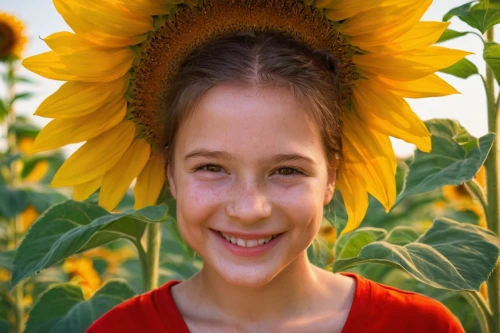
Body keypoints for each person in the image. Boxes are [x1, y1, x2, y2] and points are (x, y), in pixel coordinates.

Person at [86, 30, 465, 333]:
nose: (249, 210)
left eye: (287, 171)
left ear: (331, 176)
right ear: (170, 173)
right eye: (211, 168)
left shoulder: (418, 327)